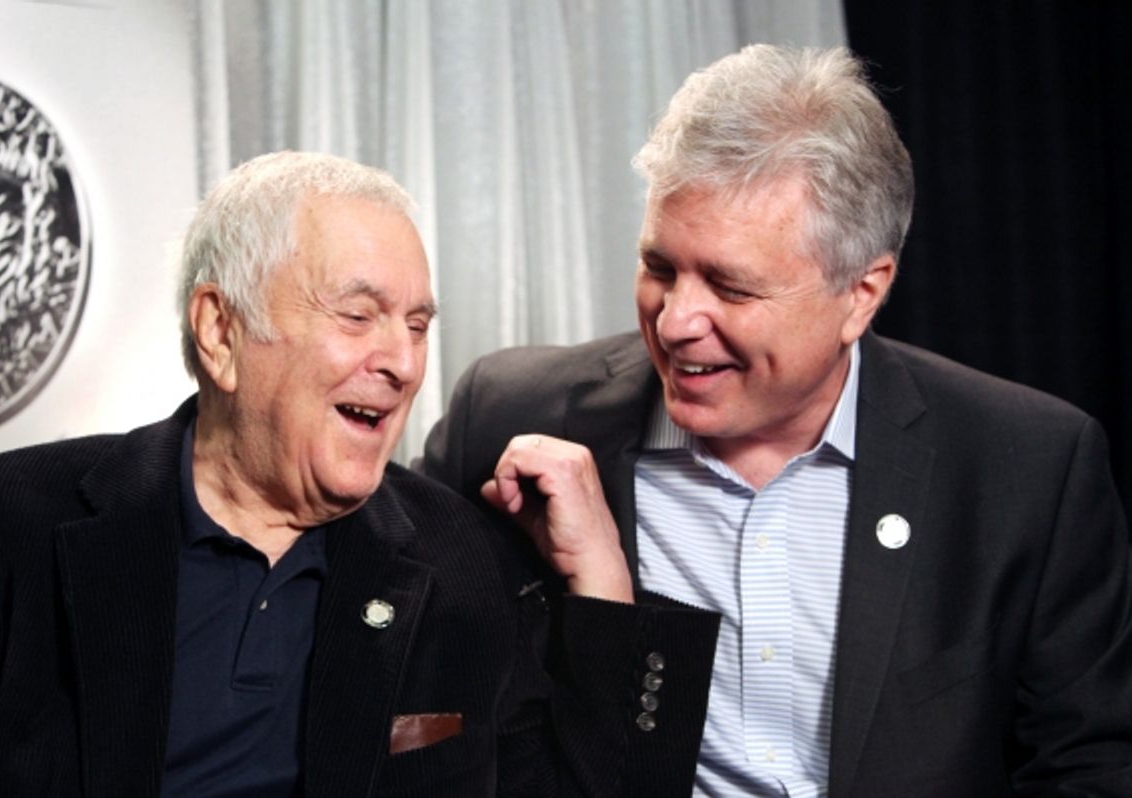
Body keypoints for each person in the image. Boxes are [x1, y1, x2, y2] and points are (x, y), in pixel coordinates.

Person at [421, 45, 1132, 797]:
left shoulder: (1027, 466)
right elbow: (407, 700)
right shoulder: (509, 417)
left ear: (861, 292)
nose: (675, 320)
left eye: (731, 287)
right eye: (660, 268)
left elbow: (1089, 768)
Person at [0, 151, 698, 797]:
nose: (401, 362)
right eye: (358, 316)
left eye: (418, 325)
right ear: (221, 332)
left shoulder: (460, 560)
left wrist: (602, 582)